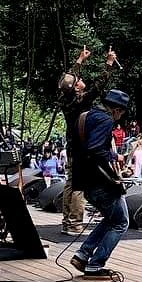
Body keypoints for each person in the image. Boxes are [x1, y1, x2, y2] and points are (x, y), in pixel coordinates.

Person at [69, 89, 131, 279]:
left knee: (110, 219)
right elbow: (95, 149)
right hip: (100, 181)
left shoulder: (86, 116)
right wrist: (115, 156)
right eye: (121, 112)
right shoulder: (105, 120)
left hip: (84, 179)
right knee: (121, 222)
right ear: (117, 109)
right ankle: (95, 265)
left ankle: (83, 254)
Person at [57, 46, 117, 234]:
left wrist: (80, 59)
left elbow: (68, 79)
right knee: (78, 187)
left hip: (72, 146)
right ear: (76, 87)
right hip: (81, 146)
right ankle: (75, 223)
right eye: (79, 81)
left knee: (70, 183)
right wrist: (108, 64)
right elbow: (99, 85)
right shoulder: (81, 102)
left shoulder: (64, 97)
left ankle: (67, 221)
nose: (81, 80)